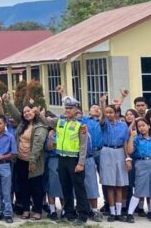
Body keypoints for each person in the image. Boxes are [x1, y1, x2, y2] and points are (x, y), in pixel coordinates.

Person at [3, 101, 48, 221]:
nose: (27, 113)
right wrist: (7, 102)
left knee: (36, 186)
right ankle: (26, 209)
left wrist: (32, 161)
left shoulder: (40, 126)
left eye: (29, 110)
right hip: (21, 160)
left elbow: (38, 145)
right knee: (23, 186)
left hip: (34, 161)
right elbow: (15, 113)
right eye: (24, 112)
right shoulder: (22, 124)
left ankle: (37, 211)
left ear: (34, 111)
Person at [53, 95, 89, 225]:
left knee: (79, 188)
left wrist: (81, 163)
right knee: (66, 187)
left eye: (71, 108)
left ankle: (83, 215)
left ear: (76, 110)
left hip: (74, 160)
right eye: (66, 108)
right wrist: (37, 112)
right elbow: (45, 121)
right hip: (62, 159)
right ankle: (69, 213)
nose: (68, 110)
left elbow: (83, 146)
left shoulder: (81, 125)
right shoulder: (60, 121)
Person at [124, 117, 151, 223]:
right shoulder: (137, 139)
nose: (141, 128)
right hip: (141, 164)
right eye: (139, 126)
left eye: (143, 125)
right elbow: (130, 151)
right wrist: (131, 136)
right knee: (138, 190)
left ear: (148, 126)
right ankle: (129, 214)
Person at [99, 99, 129, 222]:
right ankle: (112, 212)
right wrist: (102, 104)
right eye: (107, 112)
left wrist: (127, 157)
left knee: (119, 185)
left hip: (120, 152)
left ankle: (119, 212)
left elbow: (125, 142)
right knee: (110, 185)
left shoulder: (123, 125)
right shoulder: (104, 123)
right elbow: (102, 118)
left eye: (111, 112)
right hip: (107, 151)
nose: (109, 114)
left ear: (116, 113)